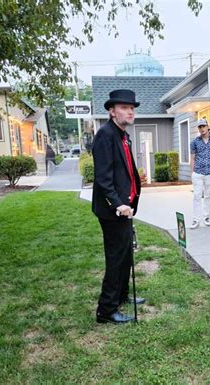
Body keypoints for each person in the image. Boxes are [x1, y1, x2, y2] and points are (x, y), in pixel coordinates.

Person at [92, 89, 144, 324]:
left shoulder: (123, 135)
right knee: (115, 258)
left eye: (132, 108)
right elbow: (103, 179)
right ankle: (106, 310)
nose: (130, 111)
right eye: (124, 107)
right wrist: (119, 204)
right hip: (112, 210)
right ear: (112, 111)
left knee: (125, 255)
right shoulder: (105, 135)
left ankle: (121, 296)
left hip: (126, 206)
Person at [189, 118, 210, 229]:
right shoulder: (194, 142)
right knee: (197, 196)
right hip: (198, 172)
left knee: (208, 195)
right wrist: (192, 172)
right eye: (200, 127)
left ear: (208, 126)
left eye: (203, 126)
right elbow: (192, 158)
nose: (202, 129)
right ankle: (196, 219)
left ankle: (206, 217)